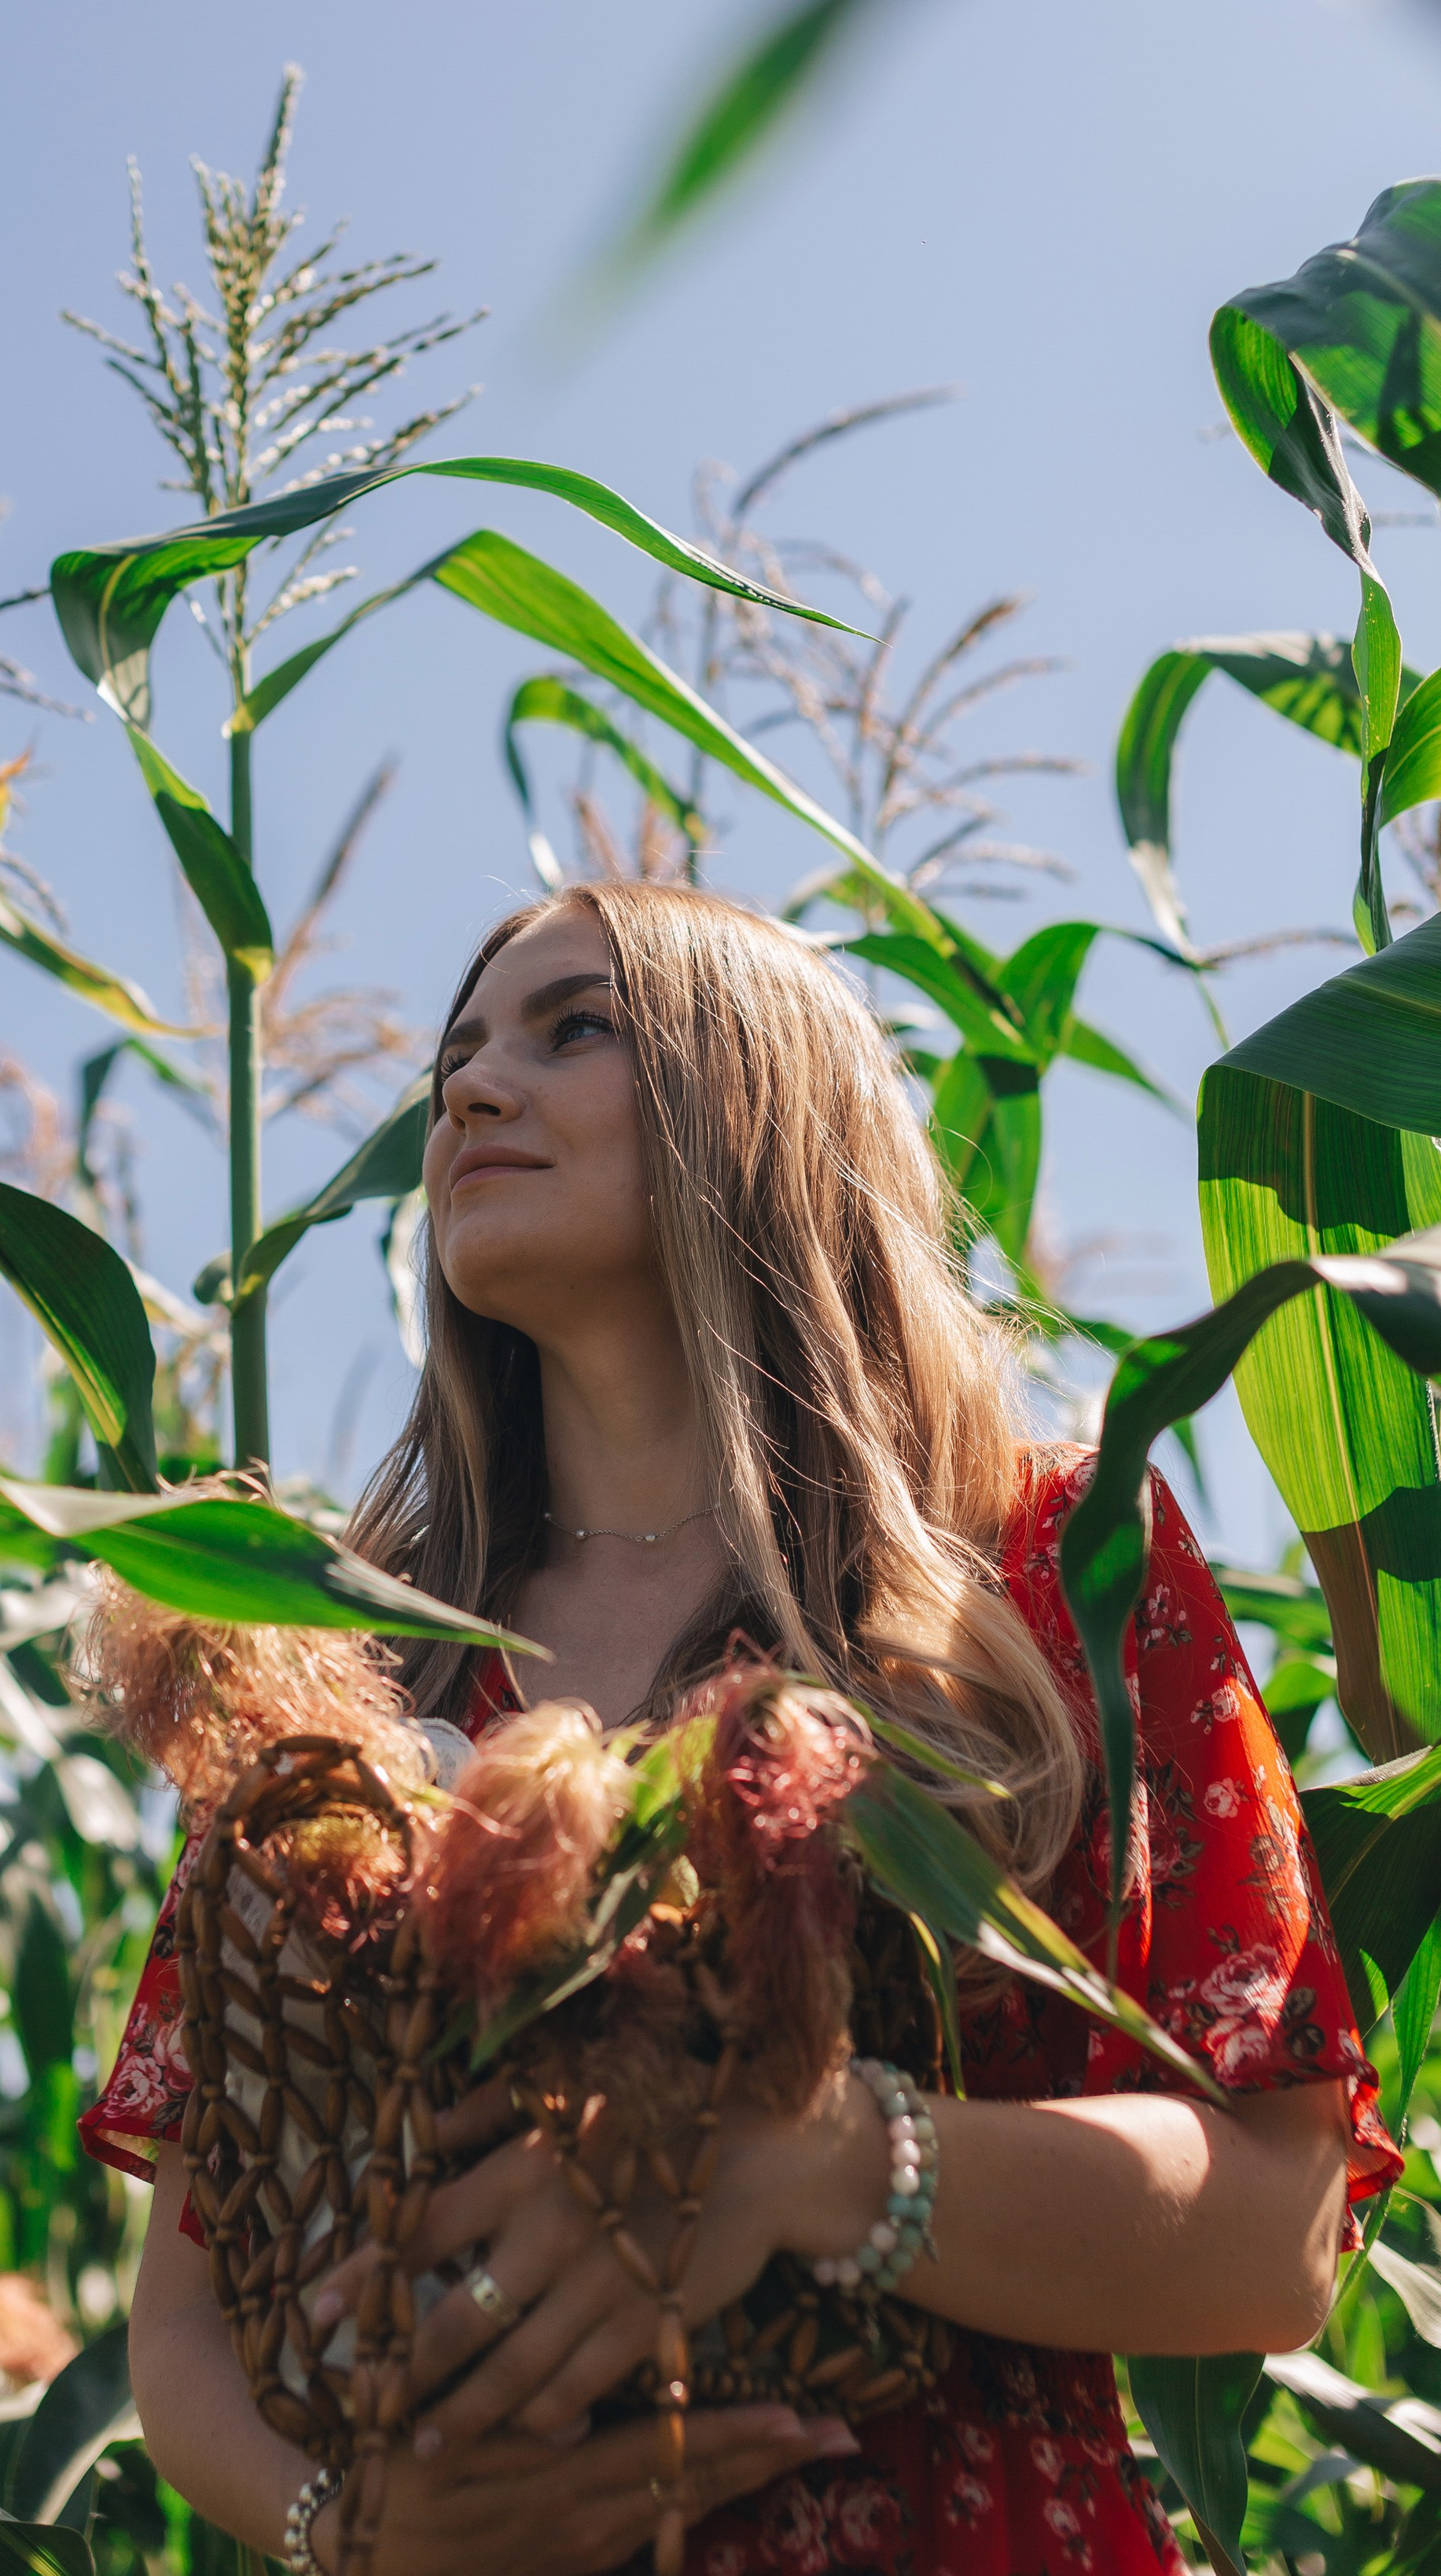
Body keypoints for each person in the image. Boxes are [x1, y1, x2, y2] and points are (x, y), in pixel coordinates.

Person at [80, 883, 1397, 2576]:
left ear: (759, 1103)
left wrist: (819, 2166)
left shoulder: (1048, 1575)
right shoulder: (349, 1669)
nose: (471, 1093)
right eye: (454, 1065)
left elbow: (1268, 2236)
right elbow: (181, 2323)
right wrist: (348, 2533)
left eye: (573, 1030)